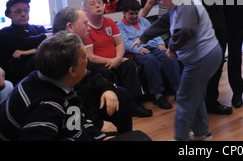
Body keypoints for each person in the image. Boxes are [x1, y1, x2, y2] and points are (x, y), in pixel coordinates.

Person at [0, 31, 151, 141]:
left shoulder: (50, 81)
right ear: (72, 71)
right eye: (85, 58)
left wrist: (97, 136)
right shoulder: (44, 108)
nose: (88, 62)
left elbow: (75, 122)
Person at [131, 0, 222, 141]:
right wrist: (143, 37)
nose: (159, 3)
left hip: (203, 57)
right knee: (195, 95)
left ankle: (181, 139)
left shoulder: (186, 5)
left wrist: (172, 48)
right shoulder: (177, 6)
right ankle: (202, 133)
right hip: (204, 56)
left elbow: (186, 30)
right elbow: (163, 23)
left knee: (184, 98)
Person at [52, 6, 134, 134]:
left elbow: (93, 75)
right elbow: (69, 105)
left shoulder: (76, 49)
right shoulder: (56, 58)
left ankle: (125, 136)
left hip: (86, 105)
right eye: (85, 24)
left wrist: (107, 89)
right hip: (73, 118)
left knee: (120, 94)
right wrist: (97, 123)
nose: (89, 28)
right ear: (70, 27)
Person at [82, 0, 152, 117]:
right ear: (85, 10)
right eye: (93, 4)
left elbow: (120, 44)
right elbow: (90, 56)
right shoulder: (86, 28)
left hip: (117, 59)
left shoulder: (109, 22)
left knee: (129, 65)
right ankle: (115, 109)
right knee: (104, 72)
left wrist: (118, 58)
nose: (98, 6)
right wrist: (113, 60)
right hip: (100, 64)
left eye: (99, 2)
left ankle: (134, 104)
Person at [117, 0, 180, 110]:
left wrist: (160, 43)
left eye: (136, 13)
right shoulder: (120, 26)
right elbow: (125, 43)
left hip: (153, 46)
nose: (135, 16)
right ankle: (158, 95)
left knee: (169, 55)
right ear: (124, 13)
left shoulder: (144, 21)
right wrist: (138, 50)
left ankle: (178, 90)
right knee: (151, 60)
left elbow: (154, 33)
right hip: (136, 50)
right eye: (131, 13)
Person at [0, 0, 52, 84]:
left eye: (26, 9)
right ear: (9, 15)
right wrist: (45, 37)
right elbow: (24, 43)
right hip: (20, 80)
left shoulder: (38, 28)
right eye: (18, 12)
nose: (23, 14)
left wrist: (27, 52)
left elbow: (55, 41)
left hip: (45, 75)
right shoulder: (5, 34)